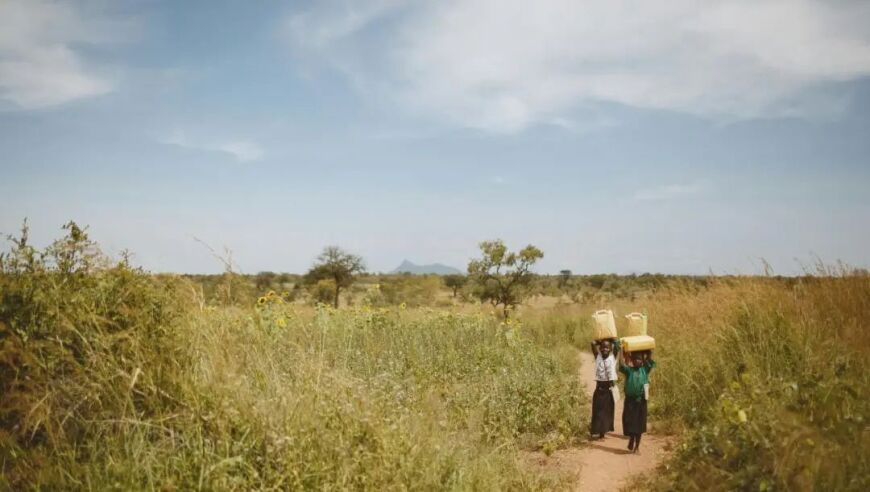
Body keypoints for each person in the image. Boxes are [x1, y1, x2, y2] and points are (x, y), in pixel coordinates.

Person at [620, 350, 656, 453]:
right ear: (632, 360)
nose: (637, 361)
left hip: (641, 401)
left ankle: (637, 446)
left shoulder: (645, 369)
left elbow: (650, 360)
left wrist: (649, 353)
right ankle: (631, 439)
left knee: (639, 425)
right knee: (630, 423)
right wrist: (621, 352)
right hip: (630, 402)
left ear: (642, 361)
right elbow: (621, 365)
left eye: (639, 359)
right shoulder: (629, 370)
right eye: (635, 359)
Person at [589, 339, 618, 439]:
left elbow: (617, 344)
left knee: (607, 412)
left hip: (608, 389)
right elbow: (592, 343)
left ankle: (603, 432)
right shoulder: (598, 357)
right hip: (599, 388)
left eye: (607, 347)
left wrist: (611, 339)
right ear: (600, 349)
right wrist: (600, 341)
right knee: (597, 411)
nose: (605, 349)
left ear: (610, 349)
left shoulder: (613, 358)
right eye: (603, 347)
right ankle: (597, 430)